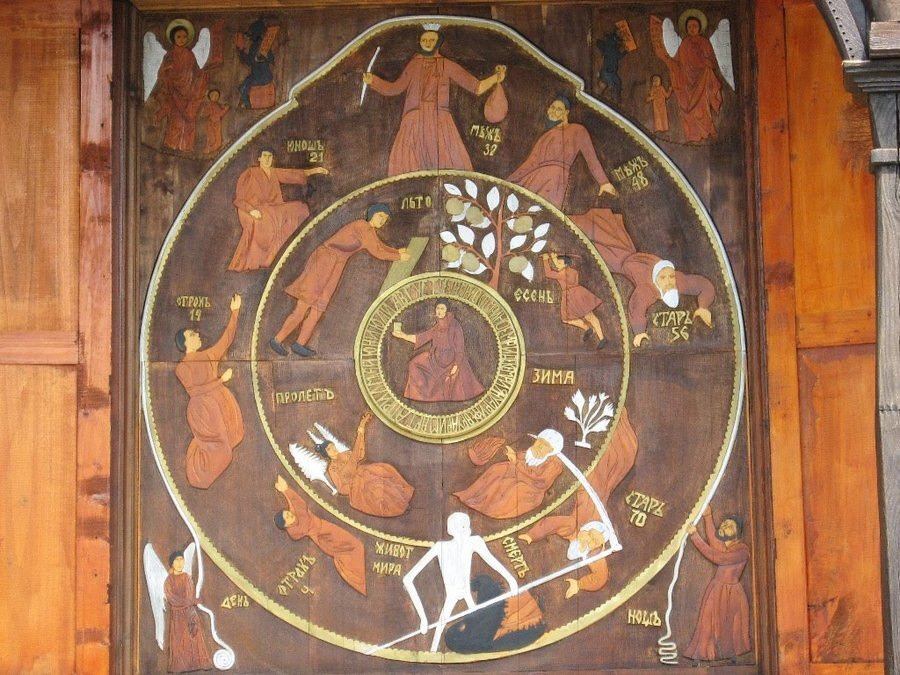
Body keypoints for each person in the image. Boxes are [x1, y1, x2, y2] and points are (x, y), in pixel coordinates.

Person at [363, 25, 506, 175]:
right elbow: (395, 88)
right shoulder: (414, 64)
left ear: (438, 42)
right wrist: (373, 81)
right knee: (407, 167)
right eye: (424, 40)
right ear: (420, 43)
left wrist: (496, 77)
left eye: (432, 40)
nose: (428, 43)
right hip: (414, 119)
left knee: (449, 164)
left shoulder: (447, 65)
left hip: (440, 120)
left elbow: (476, 87)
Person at [271, 203, 409, 357]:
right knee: (304, 304)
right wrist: (398, 257)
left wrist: (396, 251)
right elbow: (375, 250)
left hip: (337, 263)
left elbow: (378, 245)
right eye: (380, 216)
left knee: (319, 307)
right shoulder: (361, 226)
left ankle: (300, 343)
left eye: (385, 218)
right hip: (325, 259)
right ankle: (277, 339)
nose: (382, 220)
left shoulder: (369, 230)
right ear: (372, 214)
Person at [568, 209, 715, 346]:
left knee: (593, 238)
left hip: (624, 256)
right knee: (593, 230)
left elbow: (703, 284)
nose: (669, 281)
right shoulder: (648, 290)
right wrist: (639, 332)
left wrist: (704, 306)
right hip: (620, 258)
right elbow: (636, 307)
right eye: (663, 278)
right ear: (656, 279)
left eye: (670, 277)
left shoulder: (678, 280)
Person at [403, 512, 519, 652]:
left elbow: (491, 561)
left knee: (478, 625)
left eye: (466, 526)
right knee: (438, 632)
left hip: (467, 594)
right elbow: (408, 579)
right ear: (450, 530)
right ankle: (433, 652)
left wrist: (511, 580)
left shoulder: (474, 542)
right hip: (451, 595)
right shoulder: (441, 547)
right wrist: (423, 619)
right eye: (461, 526)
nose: (465, 530)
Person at [174, 294, 244, 489]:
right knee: (220, 449)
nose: (197, 335)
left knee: (233, 438)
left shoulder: (208, 355)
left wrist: (235, 312)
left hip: (220, 402)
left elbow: (226, 340)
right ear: (185, 343)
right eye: (192, 335)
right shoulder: (181, 368)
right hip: (203, 410)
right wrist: (221, 380)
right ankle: (200, 474)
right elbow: (196, 392)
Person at [228, 147, 329, 272]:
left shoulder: (274, 172)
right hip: (251, 210)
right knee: (267, 222)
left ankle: (275, 256)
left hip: (274, 209)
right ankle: (263, 260)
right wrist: (251, 210)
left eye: (270, 156)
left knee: (300, 208)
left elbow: (291, 174)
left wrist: (315, 170)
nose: (267, 159)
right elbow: (239, 199)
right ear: (259, 158)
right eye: (265, 156)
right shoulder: (250, 173)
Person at [507, 95, 617, 210]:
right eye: (552, 107)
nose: (553, 111)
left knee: (545, 213)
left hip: (556, 179)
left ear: (566, 113)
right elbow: (530, 163)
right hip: (535, 179)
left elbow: (591, 158)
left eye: (558, 109)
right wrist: (509, 181)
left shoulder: (577, 130)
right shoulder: (545, 136)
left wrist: (604, 182)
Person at [274, 475, 367, 596]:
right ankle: (360, 581)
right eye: (288, 517)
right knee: (350, 551)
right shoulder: (295, 530)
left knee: (355, 545)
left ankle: (360, 577)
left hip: (328, 528)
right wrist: (286, 491)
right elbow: (299, 506)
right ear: (286, 525)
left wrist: (286, 492)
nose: (290, 515)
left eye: (288, 513)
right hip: (325, 537)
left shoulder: (296, 516)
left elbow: (295, 506)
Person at [308, 412, 414, 517]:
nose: (333, 449)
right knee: (376, 489)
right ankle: (396, 508)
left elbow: (358, 454)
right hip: (357, 487)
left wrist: (361, 429)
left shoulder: (346, 454)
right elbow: (342, 489)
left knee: (386, 471)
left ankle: (402, 501)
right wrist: (353, 483)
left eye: (333, 446)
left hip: (366, 472)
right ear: (326, 453)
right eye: (329, 449)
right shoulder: (332, 469)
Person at [684, 506, 751, 663]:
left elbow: (719, 558)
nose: (724, 525)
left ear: (737, 533)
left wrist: (695, 536)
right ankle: (704, 655)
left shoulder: (742, 550)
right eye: (724, 523)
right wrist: (708, 516)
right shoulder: (726, 547)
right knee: (708, 623)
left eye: (729, 525)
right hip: (716, 590)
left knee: (727, 626)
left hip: (731, 594)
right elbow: (714, 543)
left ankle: (728, 657)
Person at [453, 429, 564, 519]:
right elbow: (518, 458)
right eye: (539, 441)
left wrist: (515, 462)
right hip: (517, 476)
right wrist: (512, 457)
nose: (539, 446)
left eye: (545, 445)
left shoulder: (555, 465)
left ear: (551, 450)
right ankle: (472, 497)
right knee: (498, 469)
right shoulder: (530, 452)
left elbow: (541, 481)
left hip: (531, 490)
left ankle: (493, 510)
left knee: (516, 488)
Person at [392, 299, 485, 402]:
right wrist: (403, 336)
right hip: (435, 359)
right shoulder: (437, 327)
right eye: (438, 308)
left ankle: (432, 394)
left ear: (447, 311)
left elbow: (460, 349)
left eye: (442, 308)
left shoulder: (455, 325)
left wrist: (456, 366)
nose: (439, 311)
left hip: (451, 361)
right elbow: (421, 338)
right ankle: (422, 393)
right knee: (414, 363)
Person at [656, 12, 723, 142]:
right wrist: (668, 60)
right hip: (686, 82)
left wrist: (704, 60)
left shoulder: (705, 42)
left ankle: (706, 132)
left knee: (702, 109)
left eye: (695, 26)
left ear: (700, 27)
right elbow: (678, 63)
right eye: (690, 27)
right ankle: (693, 136)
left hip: (702, 81)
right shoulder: (685, 43)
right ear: (686, 28)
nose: (692, 29)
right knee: (688, 110)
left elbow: (713, 63)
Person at [444, 575, 545, 654]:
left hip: (509, 622)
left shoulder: (479, 630)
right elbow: (486, 583)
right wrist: (474, 584)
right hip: (507, 620)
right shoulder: (482, 626)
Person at [153, 21, 210, 153]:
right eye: (179, 37)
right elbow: (163, 73)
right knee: (175, 120)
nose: (182, 39)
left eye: (184, 37)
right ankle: (172, 146)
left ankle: (186, 147)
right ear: (173, 38)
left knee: (189, 120)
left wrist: (203, 76)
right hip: (174, 91)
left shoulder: (189, 55)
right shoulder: (170, 55)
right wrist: (168, 71)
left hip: (189, 92)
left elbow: (196, 71)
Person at [520, 521, 612, 599]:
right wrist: (531, 535)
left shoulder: (596, 557)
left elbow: (600, 578)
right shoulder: (571, 527)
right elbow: (553, 523)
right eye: (589, 535)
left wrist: (579, 584)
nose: (589, 541)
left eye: (595, 541)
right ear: (584, 530)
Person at [540, 251, 606, 346]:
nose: (557, 265)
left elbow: (549, 273)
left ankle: (601, 338)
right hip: (571, 295)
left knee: (588, 316)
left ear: (566, 264)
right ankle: (589, 329)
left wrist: (546, 260)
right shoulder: (570, 270)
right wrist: (553, 258)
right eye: (557, 262)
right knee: (567, 318)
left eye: (559, 263)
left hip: (575, 295)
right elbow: (557, 266)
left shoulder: (564, 272)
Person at [163, 550, 213, 672]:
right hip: (177, 617)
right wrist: (192, 601)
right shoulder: (168, 581)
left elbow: (190, 595)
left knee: (193, 640)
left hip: (190, 614)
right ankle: (180, 667)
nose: (180, 563)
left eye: (182, 559)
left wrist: (190, 602)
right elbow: (172, 600)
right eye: (177, 560)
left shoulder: (187, 578)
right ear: (172, 563)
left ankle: (196, 665)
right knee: (180, 641)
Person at [200, 89, 229, 155]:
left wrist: (223, 107)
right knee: (212, 138)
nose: (215, 97)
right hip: (212, 123)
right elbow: (218, 114)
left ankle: (213, 151)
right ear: (210, 97)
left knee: (217, 138)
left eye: (217, 96)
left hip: (216, 123)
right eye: (213, 95)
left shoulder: (216, 104)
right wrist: (225, 110)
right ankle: (209, 151)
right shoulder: (210, 105)